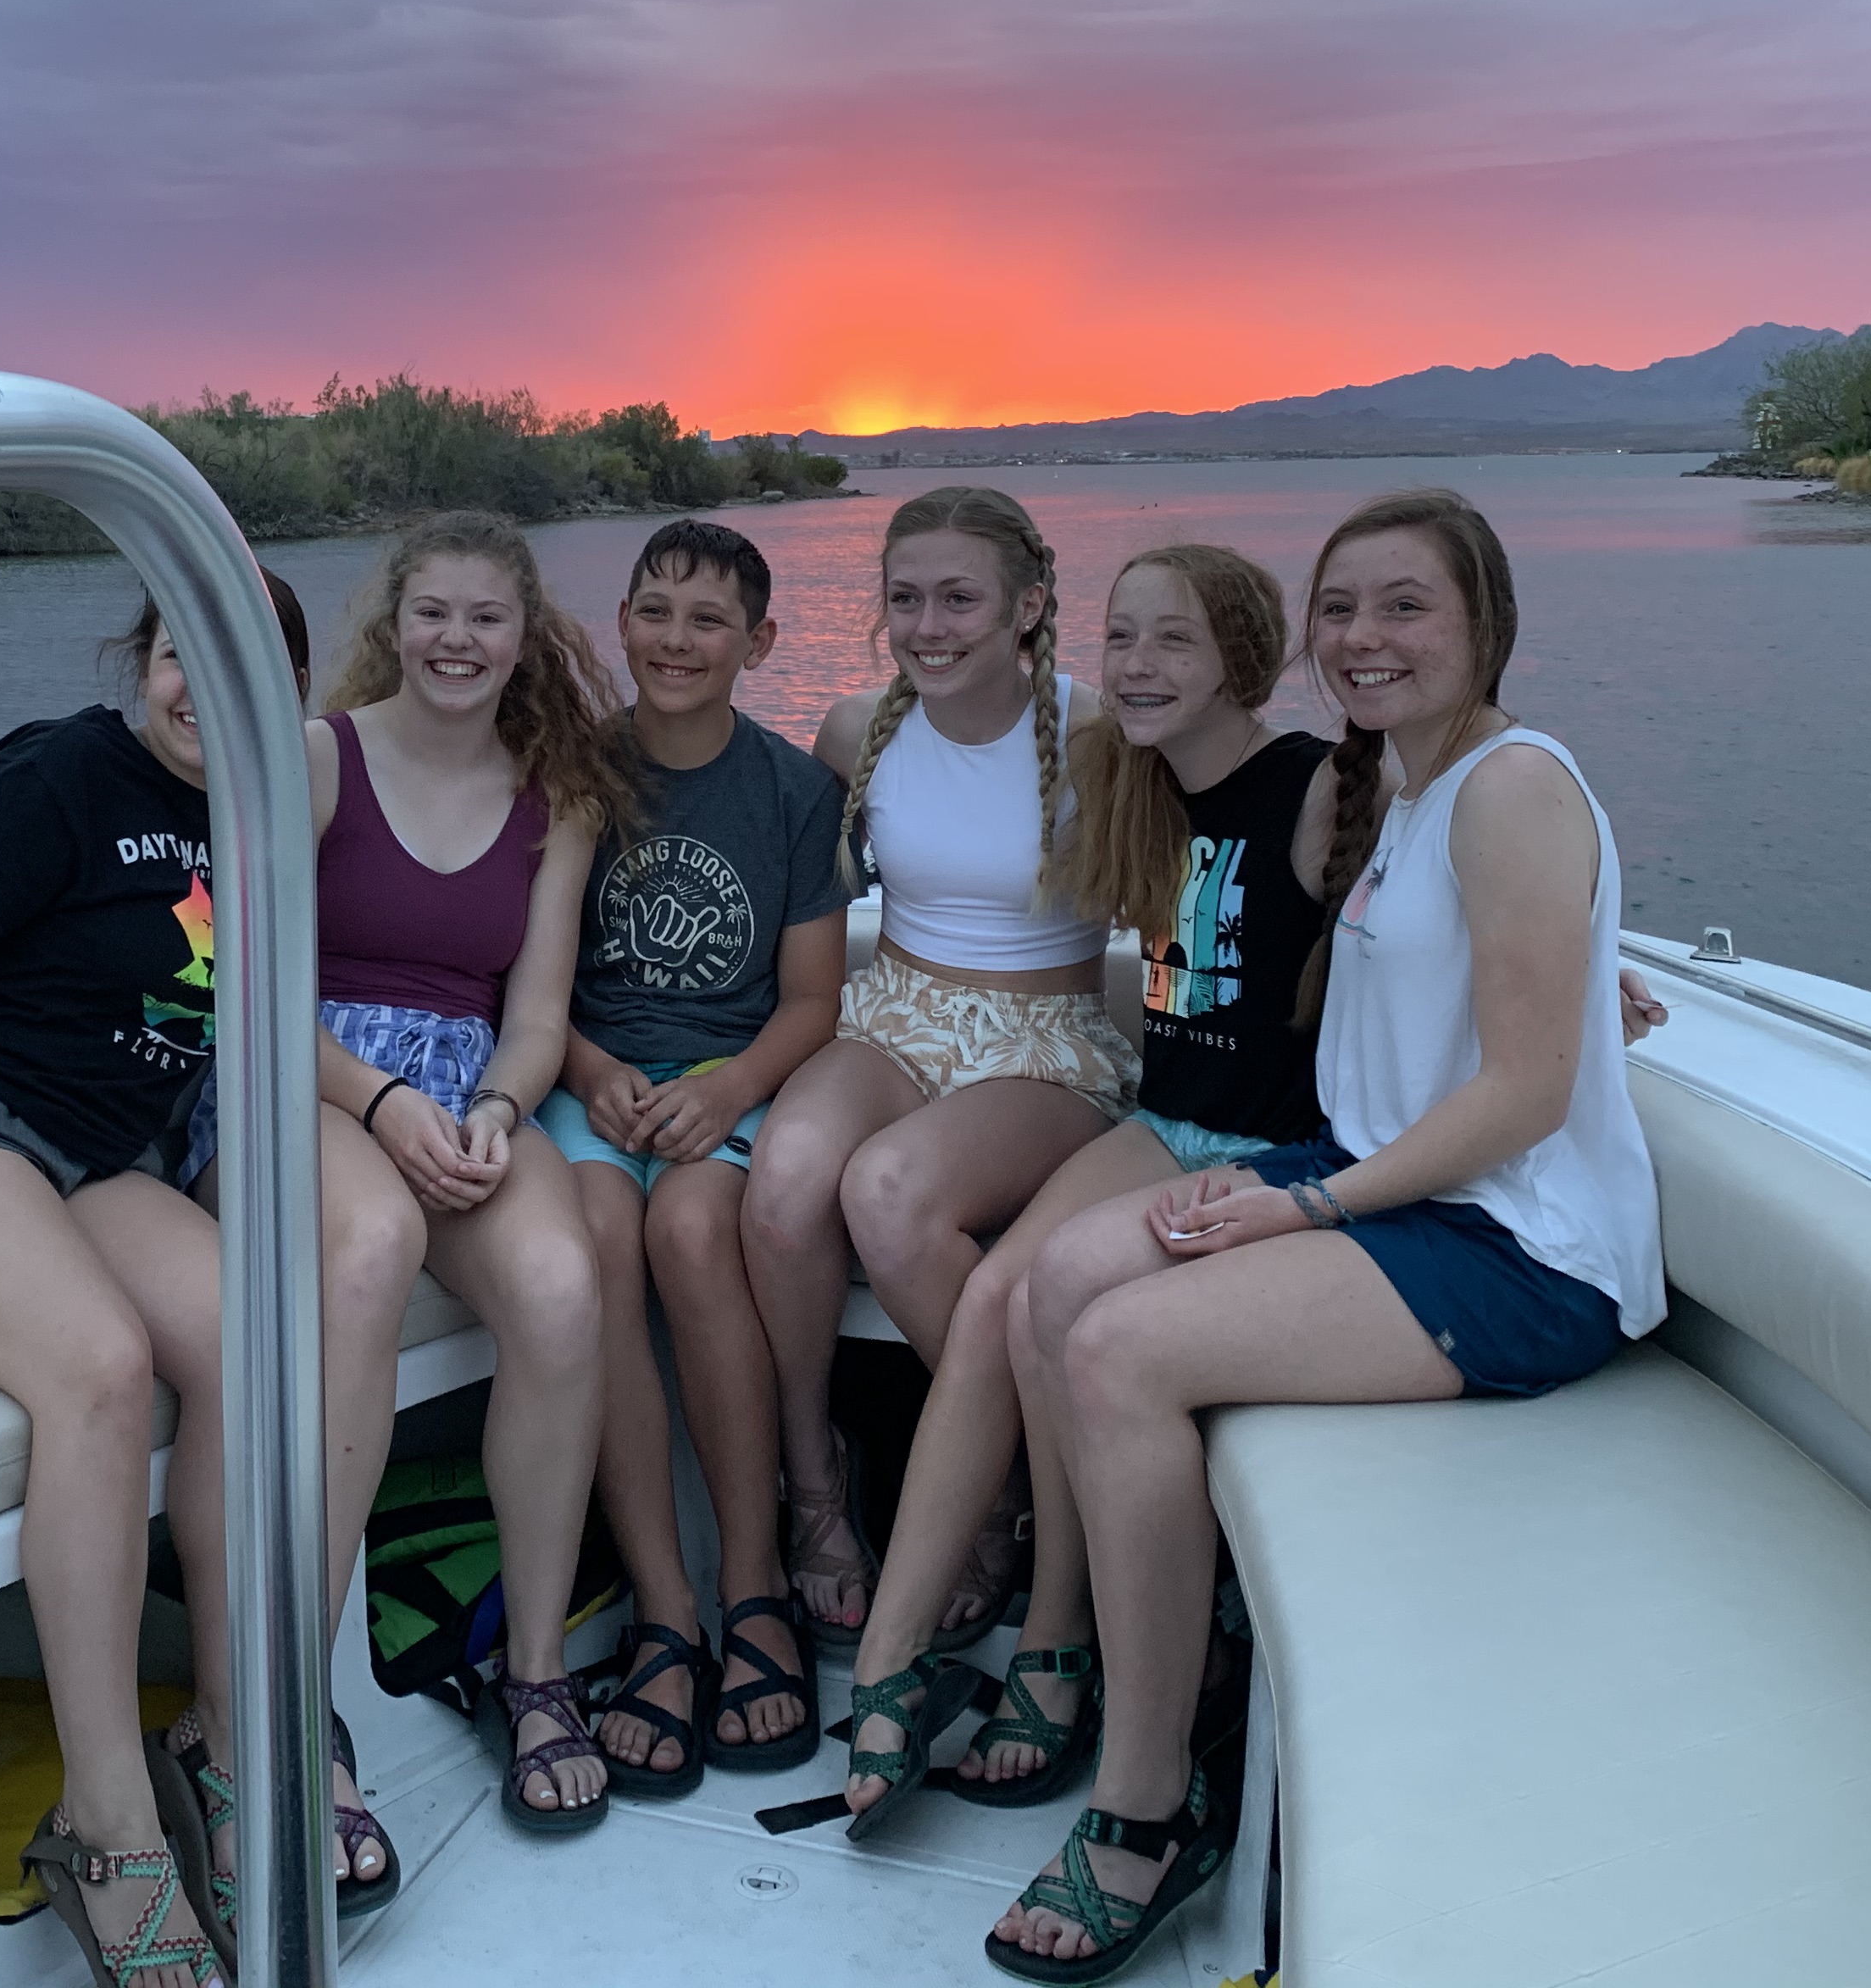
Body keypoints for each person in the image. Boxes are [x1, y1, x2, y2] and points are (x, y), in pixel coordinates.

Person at [985, 489, 1665, 1983]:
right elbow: (1477, 967)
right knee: (1062, 1276)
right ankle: (1139, 1639)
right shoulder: (1407, 789)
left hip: (1517, 1245)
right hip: (1384, 1180)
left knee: (1121, 1348)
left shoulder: (1509, 787)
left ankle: (1149, 1802)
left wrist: (1304, 1205)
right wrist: (1589, 964)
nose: (1365, 637)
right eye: (1341, 608)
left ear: (1487, 623)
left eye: (1406, 606)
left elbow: (1529, 1094)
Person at [0, 571, 427, 1988]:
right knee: (98, 1369)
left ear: (290, 690)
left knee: (259, 1346)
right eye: (173, 653)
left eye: (236, 660)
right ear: (139, 660)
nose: (197, 687)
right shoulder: (61, 774)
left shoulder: (258, 820)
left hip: (95, 1166)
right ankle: (106, 1822)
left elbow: (269, 1007)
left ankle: (230, 1735)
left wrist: (394, 1108)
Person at [835, 544, 1326, 1831]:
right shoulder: (1132, 778)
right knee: (996, 1300)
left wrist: (1584, 964)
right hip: (1168, 1122)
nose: (1140, 666)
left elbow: (1444, 879)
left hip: (1278, 1150)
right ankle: (890, 1657)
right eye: (1124, 638)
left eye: (1176, 639)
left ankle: (1057, 1637)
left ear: (1243, 657)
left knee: (1045, 1303)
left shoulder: (1318, 784)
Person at [743, 486, 1136, 1722]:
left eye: (960, 598)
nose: (928, 625)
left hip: (1045, 1042)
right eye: (905, 598)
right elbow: (780, 881)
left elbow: (1249, 852)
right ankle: (815, 1479)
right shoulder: (856, 728)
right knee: (784, 1184)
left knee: (889, 1193)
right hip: (894, 1018)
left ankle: (998, 1486)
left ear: (1028, 604)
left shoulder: (1102, 733)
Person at [273, 511, 634, 1836]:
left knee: (562, 1287)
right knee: (370, 1248)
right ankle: (295, 1701)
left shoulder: (559, 797)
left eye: (486, 618)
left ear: (524, 637)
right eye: (433, 612)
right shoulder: (318, 758)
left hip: (464, 1090)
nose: (456, 640)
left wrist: (491, 1109)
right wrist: (378, 1104)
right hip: (309, 1081)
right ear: (396, 620)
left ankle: (534, 1672)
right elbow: (250, 981)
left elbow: (536, 1014)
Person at [538, 520, 851, 1793]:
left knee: (687, 1228)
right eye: (655, 612)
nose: (677, 640)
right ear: (620, 623)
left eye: (709, 619)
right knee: (598, 1243)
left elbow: (812, 1003)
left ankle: (754, 1588)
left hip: (730, 1082)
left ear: (758, 643)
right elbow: (521, 976)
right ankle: (666, 1611)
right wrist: (588, 1072)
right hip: (590, 1080)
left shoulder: (792, 794)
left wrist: (727, 1091)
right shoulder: (570, 774)